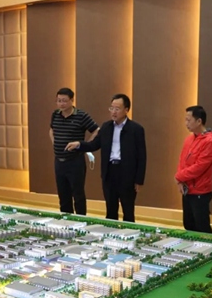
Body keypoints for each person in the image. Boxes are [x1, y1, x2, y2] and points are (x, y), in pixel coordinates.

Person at [65, 94, 146, 222]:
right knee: (110, 210)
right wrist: (79, 144)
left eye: (117, 109)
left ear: (126, 110)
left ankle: (129, 233)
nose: (113, 112)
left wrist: (139, 179)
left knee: (128, 210)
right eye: (111, 108)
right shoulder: (106, 127)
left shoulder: (136, 129)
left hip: (127, 174)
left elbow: (142, 156)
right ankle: (111, 233)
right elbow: (94, 144)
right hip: (109, 172)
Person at [49, 88, 99, 215]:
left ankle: (81, 219)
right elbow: (51, 129)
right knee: (63, 194)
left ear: (72, 100)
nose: (61, 104)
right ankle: (66, 220)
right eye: (59, 101)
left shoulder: (81, 116)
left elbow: (96, 130)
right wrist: (54, 141)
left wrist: (86, 145)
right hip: (59, 161)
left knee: (78, 194)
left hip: (75, 161)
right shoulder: (55, 114)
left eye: (64, 101)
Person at [175, 106, 212, 233]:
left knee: (202, 226)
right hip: (187, 189)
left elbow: (199, 167)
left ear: (199, 121)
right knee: (188, 224)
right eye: (185, 120)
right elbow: (182, 161)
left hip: (200, 190)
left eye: (189, 120)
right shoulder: (189, 139)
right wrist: (180, 180)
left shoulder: (210, 141)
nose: (186, 123)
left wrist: (179, 176)